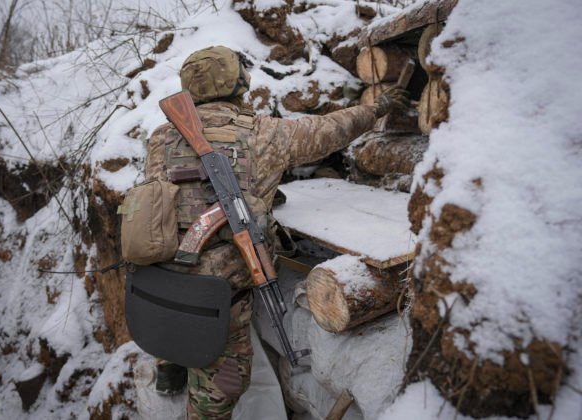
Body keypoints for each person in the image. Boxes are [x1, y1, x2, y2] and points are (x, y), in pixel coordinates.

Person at [145, 45, 407, 419]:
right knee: (220, 393)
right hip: (218, 297)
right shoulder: (265, 134)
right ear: (239, 83)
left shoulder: (160, 137)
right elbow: (331, 130)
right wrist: (377, 108)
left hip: (159, 281)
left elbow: (173, 197)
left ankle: (168, 366)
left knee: (178, 297)